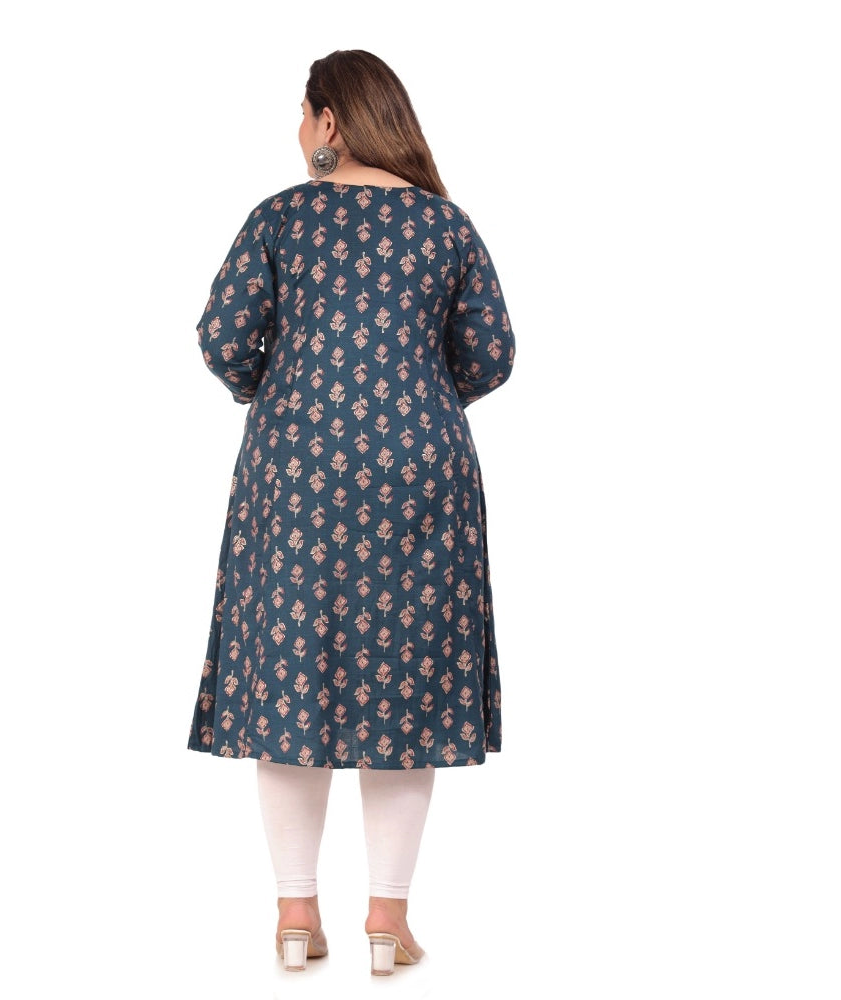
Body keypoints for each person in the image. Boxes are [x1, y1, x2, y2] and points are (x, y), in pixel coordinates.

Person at [187, 49, 516, 976]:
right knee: (405, 682)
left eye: (303, 114)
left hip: (296, 471)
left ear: (329, 121)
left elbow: (222, 338)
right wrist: (416, 399)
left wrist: (285, 390)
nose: (299, 132)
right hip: (421, 470)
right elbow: (491, 354)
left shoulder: (280, 219)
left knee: (293, 675)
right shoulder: (446, 226)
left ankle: (296, 914)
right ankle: (387, 919)